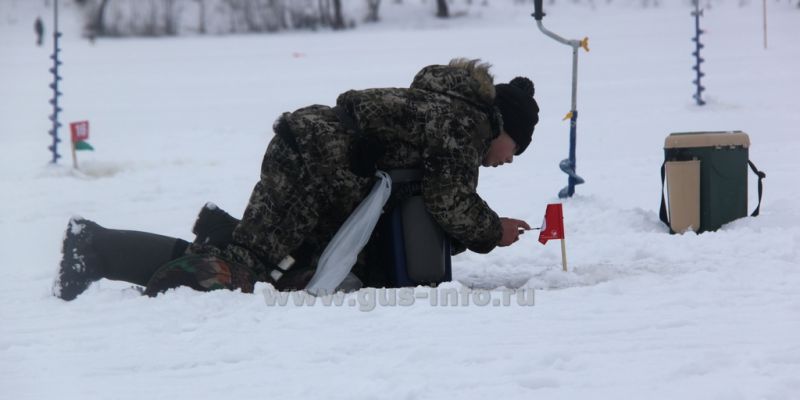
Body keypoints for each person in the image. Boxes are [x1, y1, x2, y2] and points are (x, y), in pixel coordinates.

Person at [53, 58, 539, 301]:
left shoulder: (448, 110)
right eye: (517, 149)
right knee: (249, 273)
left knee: (287, 271)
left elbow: (423, 208)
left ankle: (214, 234)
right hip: (315, 163)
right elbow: (449, 198)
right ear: (506, 128)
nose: (509, 160)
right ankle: (97, 250)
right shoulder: (467, 121)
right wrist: (493, 231)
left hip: (319, 162)